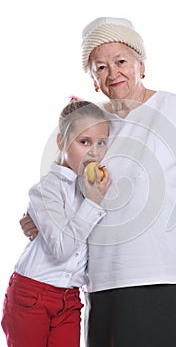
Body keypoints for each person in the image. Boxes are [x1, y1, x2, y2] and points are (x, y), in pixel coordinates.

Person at [20, 17, 176, 347]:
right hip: (108, 279)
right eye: (100, 67)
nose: (113, 73)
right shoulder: (91, 124)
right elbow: (63, 180)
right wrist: (38, 215)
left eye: (121, 61)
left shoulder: (173, 108)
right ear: (93, 79)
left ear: (141, 65)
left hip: (175, 274)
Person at [1, 99, 111, 347]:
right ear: (61, 142)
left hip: (70, 298)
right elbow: (61, 250)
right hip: (32, 293)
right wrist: (92, 204)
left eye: (101, 143)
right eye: (84, 142)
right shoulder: (45, 190)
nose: (94, 152)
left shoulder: (93, 186)